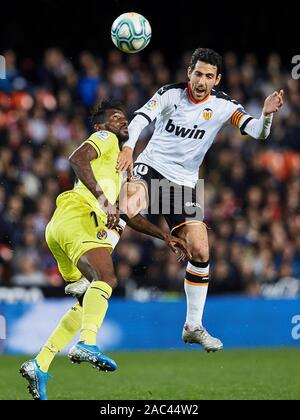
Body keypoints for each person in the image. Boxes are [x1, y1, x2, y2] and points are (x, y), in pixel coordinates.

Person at [20, 101, 191, 400]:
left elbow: (130, 216)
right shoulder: (105, 139)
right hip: (78, 218)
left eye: (125, 119)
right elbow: (77, 158)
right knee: (107, 277)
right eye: (115, 118)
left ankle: (40, 363)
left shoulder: (119, 169)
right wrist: (102, 198)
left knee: (88, 300)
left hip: (61, 229)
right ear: (100, 126)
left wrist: (165, 236)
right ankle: (87, 343)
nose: (122, 122)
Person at [117, 48, 284, 351]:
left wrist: (267, 115)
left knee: (201, 249)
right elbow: (141, 117)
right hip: (152, 166)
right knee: (127, 206)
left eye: (208, 75)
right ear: (188, 73)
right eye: (197, 73)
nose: (201, 80)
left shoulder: (223, 105)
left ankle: (193, 325)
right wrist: (129, 146)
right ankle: (91, 269)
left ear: (217, 79)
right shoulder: (170, 94)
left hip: (183, 183)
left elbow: (257, 131)